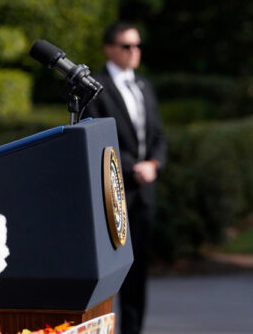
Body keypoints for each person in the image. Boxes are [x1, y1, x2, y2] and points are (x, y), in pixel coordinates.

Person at [84, 22, 166, 334]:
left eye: (137, 46)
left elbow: (158, 134)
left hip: (144, 195)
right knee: (106, 275)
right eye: (126, 46)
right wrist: (134, 167)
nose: (134, 52)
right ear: (109, 49)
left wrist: (155, 164)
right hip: (112, 193)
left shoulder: (143, 85)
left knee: (138, 274)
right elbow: (99, 139)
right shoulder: (96, 86)